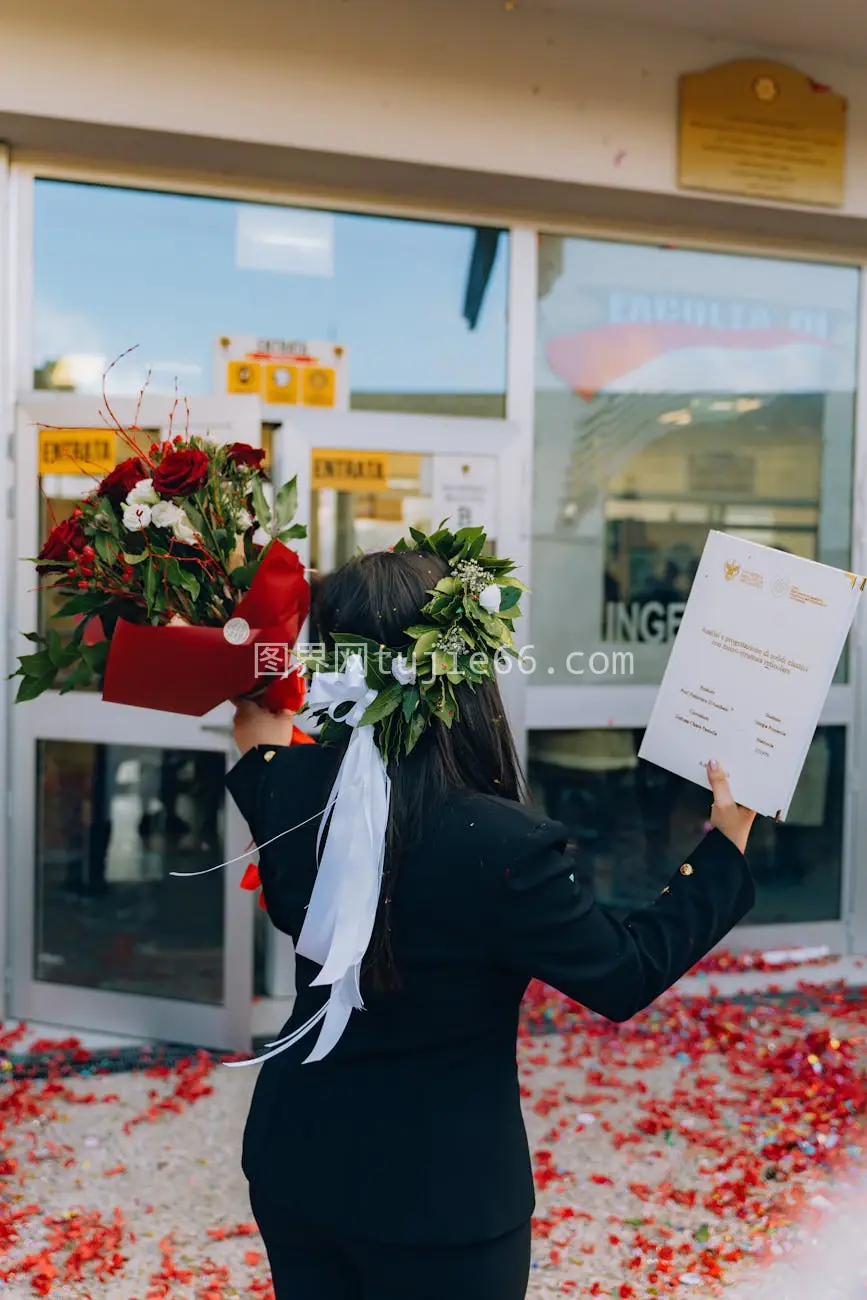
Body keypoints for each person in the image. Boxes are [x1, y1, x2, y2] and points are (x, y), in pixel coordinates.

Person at [225, 527, 756, 1300]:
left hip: (294, 1159)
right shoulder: (503, 845)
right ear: (463, 674)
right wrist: (726, 846)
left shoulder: (289, 786)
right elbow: (623, 973)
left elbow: (260, 745)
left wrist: (250, 696)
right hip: (440, 1198)